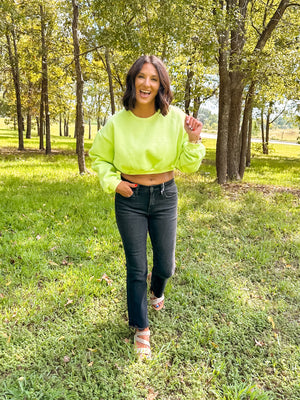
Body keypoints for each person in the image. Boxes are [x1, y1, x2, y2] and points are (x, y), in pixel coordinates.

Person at [89, 55, 205, 359]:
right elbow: (99, 158)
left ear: (161, 85)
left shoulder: (175, 117)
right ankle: (142, 328)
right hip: (131, 198)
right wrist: (114, 183)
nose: (146, 83)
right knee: (136, 266)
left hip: (166, 195)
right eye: (141, 77)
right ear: (133, 80)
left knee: (165, 265)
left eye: (154, 78)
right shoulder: (117, 122)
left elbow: (187, 166)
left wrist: (193, 141)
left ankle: (157, 292)